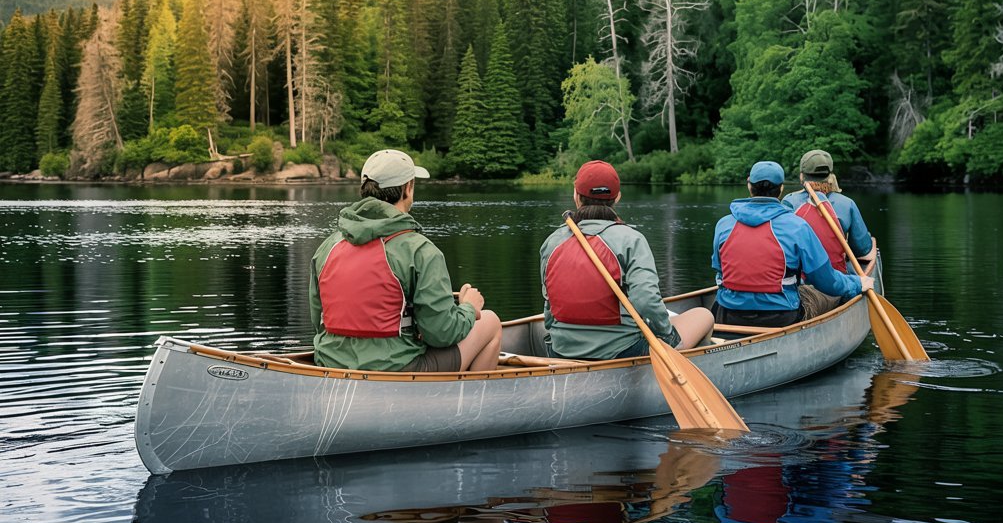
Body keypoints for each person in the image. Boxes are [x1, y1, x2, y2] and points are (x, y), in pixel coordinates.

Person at [309, 148, 502, 372]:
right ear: (407, 188)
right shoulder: (420, 250)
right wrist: (469, 308)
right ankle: (468, 405)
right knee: (490, 322)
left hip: (331, 364)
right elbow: (442, 333)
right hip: (397, 368)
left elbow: (317, 320)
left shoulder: (328, 247)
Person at [539, 160, 714, 360]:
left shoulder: (552, 242)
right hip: (621, 350)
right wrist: (668, 336)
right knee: (703, 315)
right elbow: (647, 302)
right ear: (618, 197)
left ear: (576, 197)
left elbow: (549, 305)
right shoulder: (631, 240)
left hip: (560, 350)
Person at [711, 160, 873, 328]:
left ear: (749, 185)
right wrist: (857, 284)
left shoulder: (724, 225)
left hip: (728, 314)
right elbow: (825, 281)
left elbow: (719, 269)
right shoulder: (797, 226)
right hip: (781, 317)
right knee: (832, 296)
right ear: (781, 189)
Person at [782, 149, 875, 272]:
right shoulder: (847, 204)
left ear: (801, 176)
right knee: (872, 242)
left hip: (799, 279)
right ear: (830, 176)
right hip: (837, 279)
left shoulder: (789, 202)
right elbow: (862, 250)